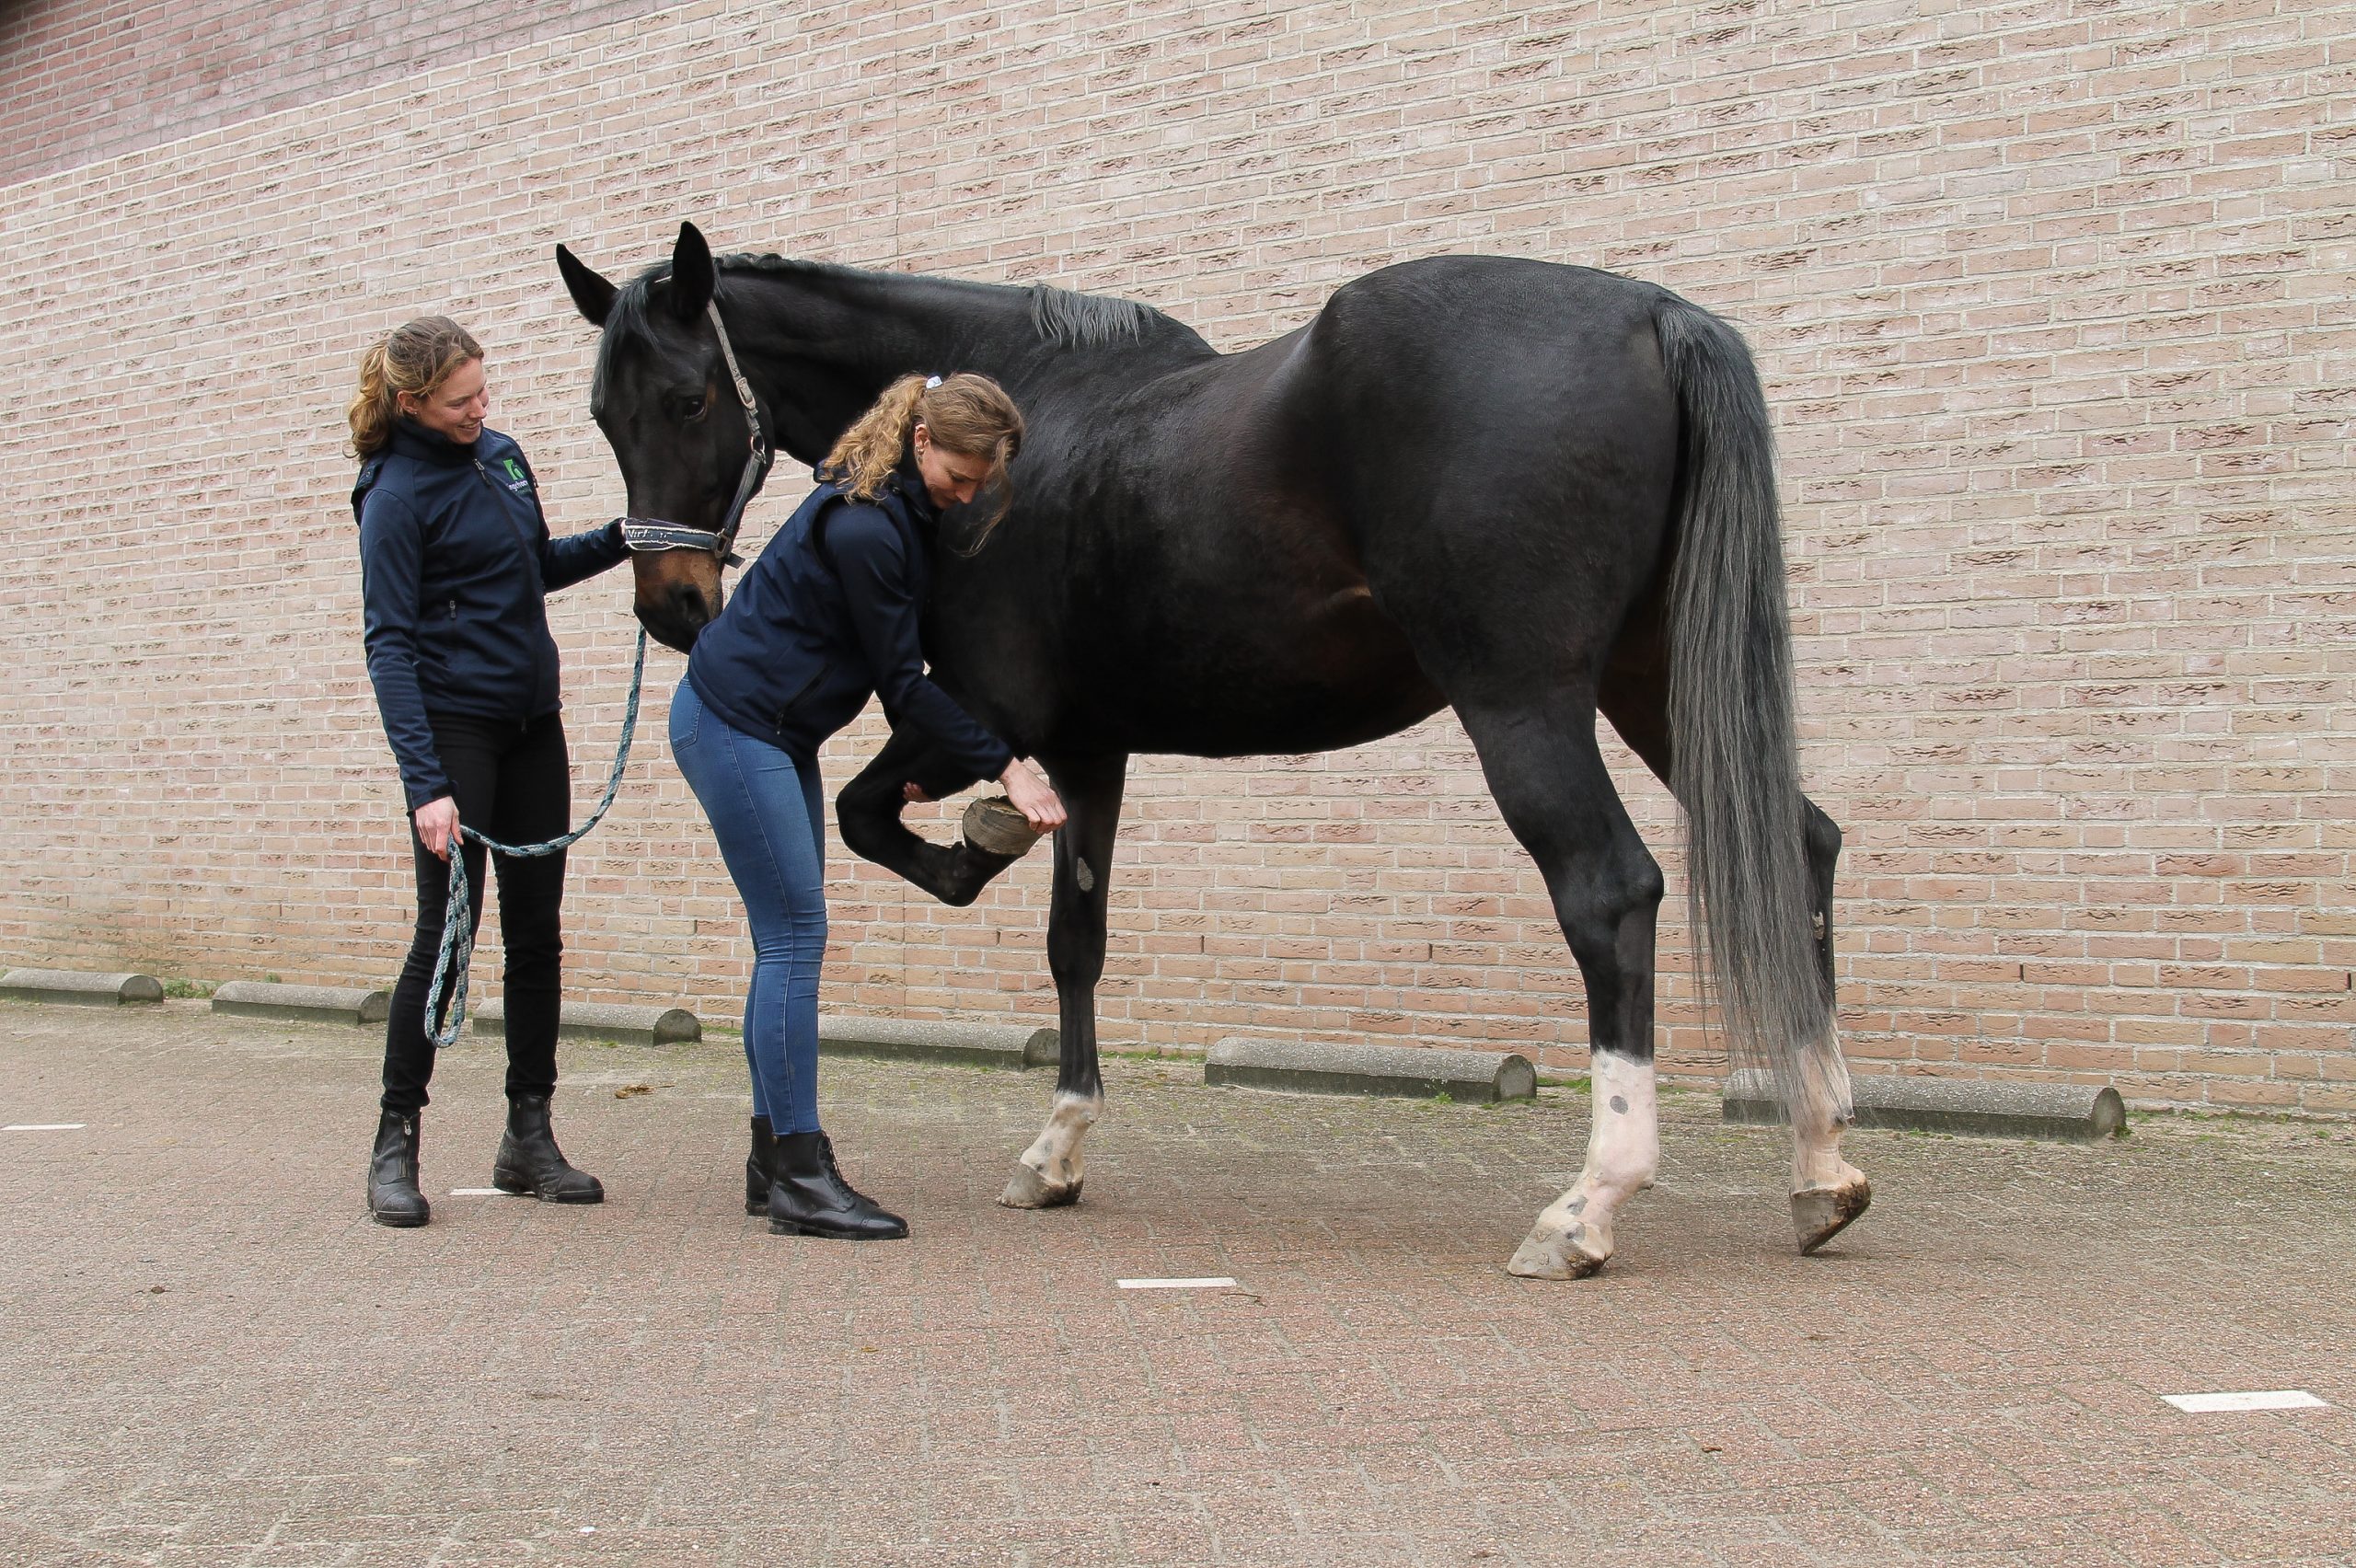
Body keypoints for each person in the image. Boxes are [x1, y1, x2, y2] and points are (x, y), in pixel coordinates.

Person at [671, 372, 1066, 1242]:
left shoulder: (903, 511)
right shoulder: (863, 526)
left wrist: (930, 767)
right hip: (734, 723)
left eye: (982, 483)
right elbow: (902, 684)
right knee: (794, 938)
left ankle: (773, 1162)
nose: (968, 495)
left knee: (784, 940)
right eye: (960, 476)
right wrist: (1009, 770)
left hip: (779, 733)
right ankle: (800, 1176)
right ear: (921, 441)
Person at [348, 316, 632, 1228]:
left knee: (537, 935)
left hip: (531, 727)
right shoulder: (394, 496)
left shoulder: (502, 458)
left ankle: (528, 1138)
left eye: (483, 393)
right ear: (411, 402)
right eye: (460, 401)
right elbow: (389, 645)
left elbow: (534, 568)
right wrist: (425, 784)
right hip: (455, 735)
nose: (479, 411)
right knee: (446, 937)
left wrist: (624, 536)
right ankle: (395, 1143)